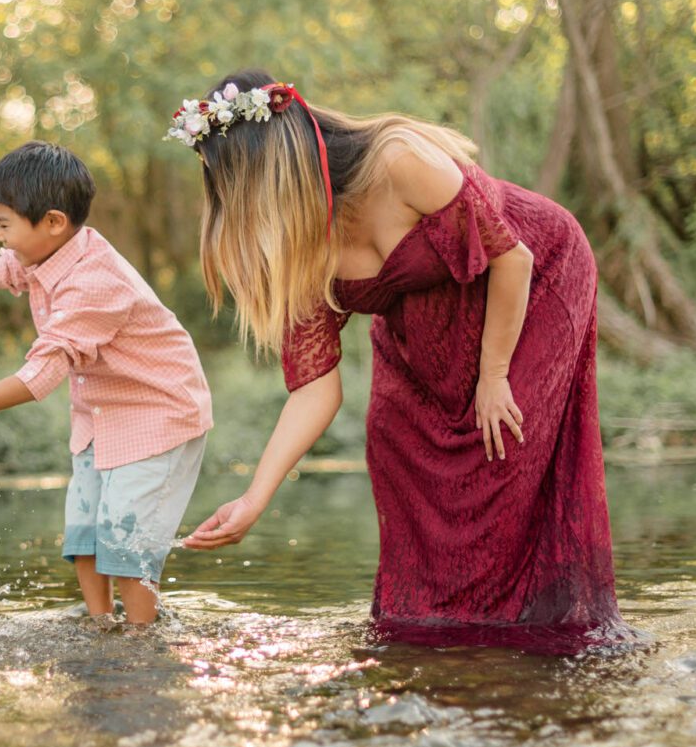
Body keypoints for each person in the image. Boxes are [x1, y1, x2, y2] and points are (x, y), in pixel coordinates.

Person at [178, 68, 632, 653]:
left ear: (281, 165)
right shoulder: (298, 243)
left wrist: (494, 376)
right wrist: (253, 498)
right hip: (422, 327)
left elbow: (511, 257)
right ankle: (431, 643)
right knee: (396, 450)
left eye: (245, 189)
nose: (240, 209)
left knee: (501, 456)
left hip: (532, 284)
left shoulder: (396, 162)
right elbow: (315, 389)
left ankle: (529, 642)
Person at [0, 142, 212, 627]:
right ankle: (100, 628)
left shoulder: (95, 280)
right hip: (101, 417)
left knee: (126, 542)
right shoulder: (42, 257)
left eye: (4, 224)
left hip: (159, 415)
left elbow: (38, 379)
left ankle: (142, 643)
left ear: (52, 221)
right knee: (84, 535)